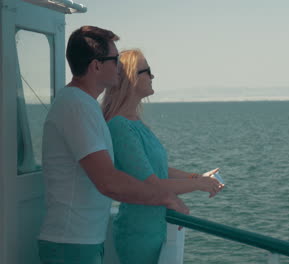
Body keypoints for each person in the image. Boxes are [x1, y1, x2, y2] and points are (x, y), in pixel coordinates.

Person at [37, 26, 191, 264]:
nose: (120, 66)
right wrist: (165, 197)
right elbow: (109, 181)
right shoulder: (76, 107)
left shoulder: (83, 105)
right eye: (115, 59)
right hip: (71, 245)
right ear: (96, 66)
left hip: (81, 242)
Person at [101, 49, 224, 264]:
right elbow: (152, 184)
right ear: (131, 77)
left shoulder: (136, 123)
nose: (152, 76)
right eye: (146, 71)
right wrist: (200, 185)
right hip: (139, 234)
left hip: (154, 228)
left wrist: (196, 177)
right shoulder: (120, 126)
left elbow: (156, 168)